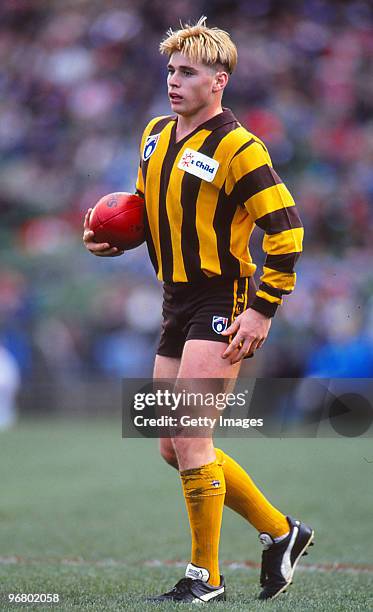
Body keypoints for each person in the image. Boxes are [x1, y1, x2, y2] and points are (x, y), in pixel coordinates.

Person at [83, 16, 314, 604]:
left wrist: (262, 310)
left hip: (222, 297)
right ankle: (282, 532)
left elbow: (285, 231)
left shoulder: (241, 147)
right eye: (170, 70)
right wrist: (111, 239)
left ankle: (205, 577)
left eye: (188, 72)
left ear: (220, 81)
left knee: (191, 435)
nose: (174, 81)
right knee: (172, 444)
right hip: (176, 300)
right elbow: (146, 207)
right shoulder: (155, 133)